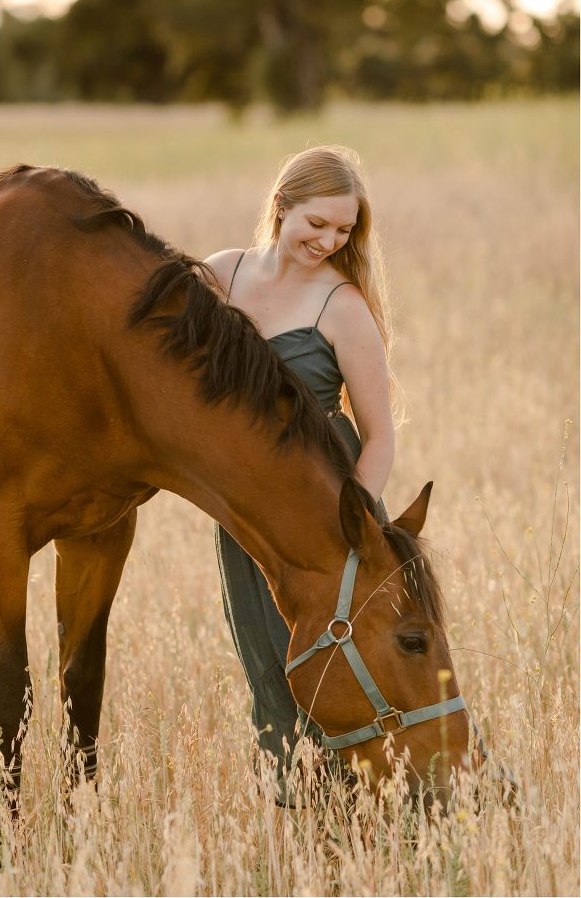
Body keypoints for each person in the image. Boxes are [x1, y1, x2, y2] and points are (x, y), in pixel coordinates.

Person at [205, 144, 399, 801]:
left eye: (344, 230)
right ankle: (302, 808)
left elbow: (378, 437)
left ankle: (380, 807)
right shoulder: (218, 276)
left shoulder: (341, 305)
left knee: (347, 663)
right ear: (281, 205)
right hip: (245, 511)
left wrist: (353, 526)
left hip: (326, 509)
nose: (329, 240)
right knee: (268, 660)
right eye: (318, 223)